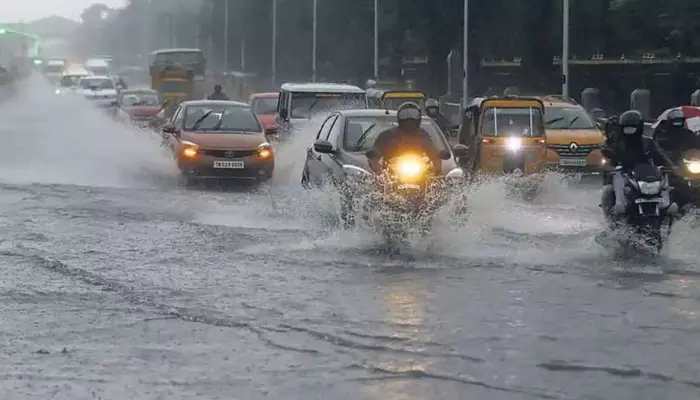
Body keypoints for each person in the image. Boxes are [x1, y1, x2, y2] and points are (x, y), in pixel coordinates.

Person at [600, 109, 671, 217]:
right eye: (627, 128)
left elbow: (661, 157)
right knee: (609, 188)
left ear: (639, 127)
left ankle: (666, 204)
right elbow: (609, 161)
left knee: (664, 179)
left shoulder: (648, 142)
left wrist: (671, 167)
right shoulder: (617, 144)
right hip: (626, 174)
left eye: (632, 128)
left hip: (646, 175)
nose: (630, 131)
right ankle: (619, 206)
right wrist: (611, 168)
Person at [368, 102, 440, 174]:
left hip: (420, 173)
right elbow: (375, 152)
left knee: (437, 183)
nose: (409, 119)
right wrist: (378, 170)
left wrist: (436, 168)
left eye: (413, 115)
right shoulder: (387, 135)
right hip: (391, 174)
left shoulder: (423, 135)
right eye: (404, 115)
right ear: (399, 117)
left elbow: (432, 150)